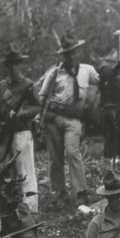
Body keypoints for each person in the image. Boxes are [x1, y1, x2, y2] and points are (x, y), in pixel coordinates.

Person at [37, 32, 100, 206]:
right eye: (68, 53)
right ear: (63, 55)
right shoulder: (54, 73)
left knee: (73, 152)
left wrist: (92, 105)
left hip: (74, 119)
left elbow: (103, 82)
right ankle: (59, 192)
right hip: (54, 118)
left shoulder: (88, 70)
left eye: (74, 52)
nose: (71, 56)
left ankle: (81, 192)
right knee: (55, 157)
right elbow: (42, 97)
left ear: (78, 53)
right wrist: (42, 117)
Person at [0, 46, 41, 212]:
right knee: (6, 170)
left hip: (22, 132)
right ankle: (11, 205)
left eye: (16, 64)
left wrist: (22, 114)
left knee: (24, 170)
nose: (13, 68)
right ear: (6, 67)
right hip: (5, 134)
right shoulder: (2, 87)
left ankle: (29, 207)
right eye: (10, 65)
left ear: (20, 65)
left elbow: (37, 107)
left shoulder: (28, 85)